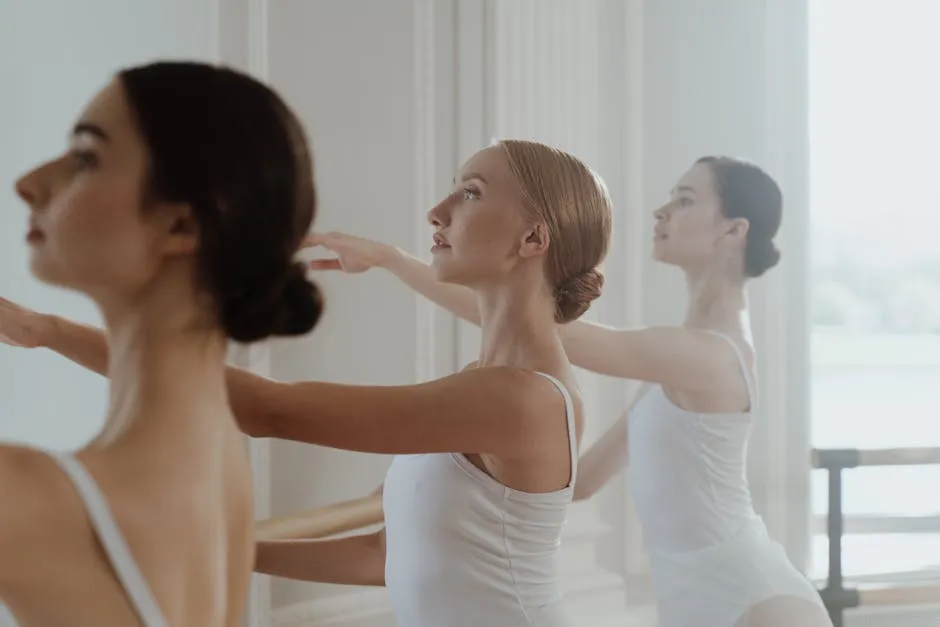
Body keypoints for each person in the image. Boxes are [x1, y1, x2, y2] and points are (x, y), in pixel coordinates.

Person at [0, 140, 613, 627]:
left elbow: (272, 411)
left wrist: (48, 330)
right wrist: (229, 547)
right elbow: (384, 557)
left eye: (471, 193)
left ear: (534, 238)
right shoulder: (485, 383)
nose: (438, 210)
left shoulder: (520, 399)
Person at [292, 156, 833, 627]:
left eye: (686, 199)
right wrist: (417, 493)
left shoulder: (713, 356)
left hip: (759, 601)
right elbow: (580, 480)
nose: (661, 211)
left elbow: (534, 322)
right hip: (691, 603)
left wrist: (391, 260)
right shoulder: (676, 368)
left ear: (733, 231)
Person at [0, 61, 323, 626]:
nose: (28, 182)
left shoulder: (33, 500)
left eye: (85, 158)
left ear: (181, 228)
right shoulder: (219, 461)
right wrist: (44, 330)